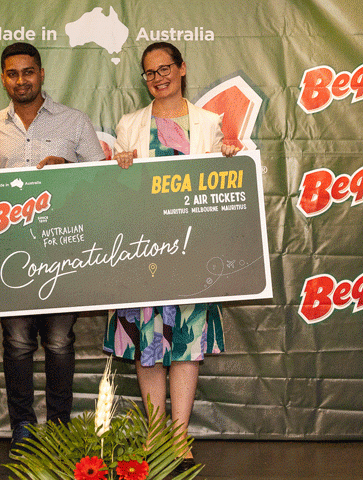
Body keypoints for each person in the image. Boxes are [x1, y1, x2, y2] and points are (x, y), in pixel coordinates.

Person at [103, 42, 240, 474]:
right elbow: (117, 196)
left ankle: (180, 440)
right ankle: (154, 436)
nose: (158, 77)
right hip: (143, 249)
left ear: (182, 69)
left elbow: (221, 190)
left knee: (186, 342)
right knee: (148, 341)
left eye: (165, 68)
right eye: (150, 72)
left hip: (192, 251)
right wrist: (119, 170)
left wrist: (229, 157)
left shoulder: (209, 123)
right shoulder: (129, 125)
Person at [0, 42, 105, 452]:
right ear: (3, 79)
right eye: (12, 73)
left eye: (28, 71)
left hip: (61, 254)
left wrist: (68, 168)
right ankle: (22, 426)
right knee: (17, 343)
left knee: (59, 342)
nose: (21, 80)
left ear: (41, 73)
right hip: (9, 255)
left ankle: (59, 427)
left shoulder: (74, 121)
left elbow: (101, 181)